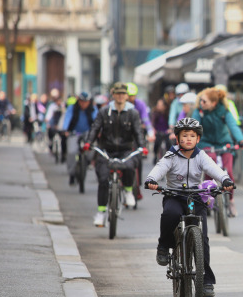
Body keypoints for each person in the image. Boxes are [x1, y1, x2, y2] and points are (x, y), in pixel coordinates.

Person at [144, 117, 233, 297]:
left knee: (203, 237)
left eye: (192, 136)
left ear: (198, 139)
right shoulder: (171, 155)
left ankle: (207, 281)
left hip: (195, 197)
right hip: (174, 195)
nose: (188, 139)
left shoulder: (201, 155)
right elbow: (160, 168)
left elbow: (214, 168)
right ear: (177, 138)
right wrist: (152, 180)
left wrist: (224, 180)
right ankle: (163, 246)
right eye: (184, 136)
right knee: (171, 214)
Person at [83, 82, 146, 227]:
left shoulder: (133, 113)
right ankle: (100, 213)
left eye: (123, 94)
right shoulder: (104, 111)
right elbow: (95, 128)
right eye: (117, 93)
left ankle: (129, 191)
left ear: (126, 96)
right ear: (113, 95)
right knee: (104, 180)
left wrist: (142, 146)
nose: (120, 96)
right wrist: (88, 142)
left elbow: (138, 132)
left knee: (130, 165)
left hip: (125, 149)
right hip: (106, 150)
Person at [195, 86, 243, 216]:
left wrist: (240, 140)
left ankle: (231, 200)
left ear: (214, 103)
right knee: (209, 163)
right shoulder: (199, 112)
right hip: (206, 143)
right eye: (201, 100)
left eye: (204, 101)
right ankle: (207, 197)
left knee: (228, 171)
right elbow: (193, 126)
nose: (201, 103)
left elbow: (233, 125)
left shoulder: (224, 111)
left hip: (224, 143)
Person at [62, 92, 97, 185]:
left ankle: (87, 162)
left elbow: (97, 121)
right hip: (74, 132)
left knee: (91, 150)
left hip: (88, 133)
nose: (84, 104)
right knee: (72, 152)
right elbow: (67, 118)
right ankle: (72, 174)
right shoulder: (72, 108)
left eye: (86, 102)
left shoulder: (93, 109)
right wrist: (65, 129)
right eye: (81, 101)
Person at [150, 98, 171, 165]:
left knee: (168, 143)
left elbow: (170, 122)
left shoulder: (168, 113)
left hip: (166, 132)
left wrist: (170, 129)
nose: (158, 106)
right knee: (157, 143)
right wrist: (153, 130)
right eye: (158, 105)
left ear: (165, 106)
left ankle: (169, 157)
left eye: (160, 105)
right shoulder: (155, 113)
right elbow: (152, 122)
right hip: (158, 132)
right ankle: (155, 155)